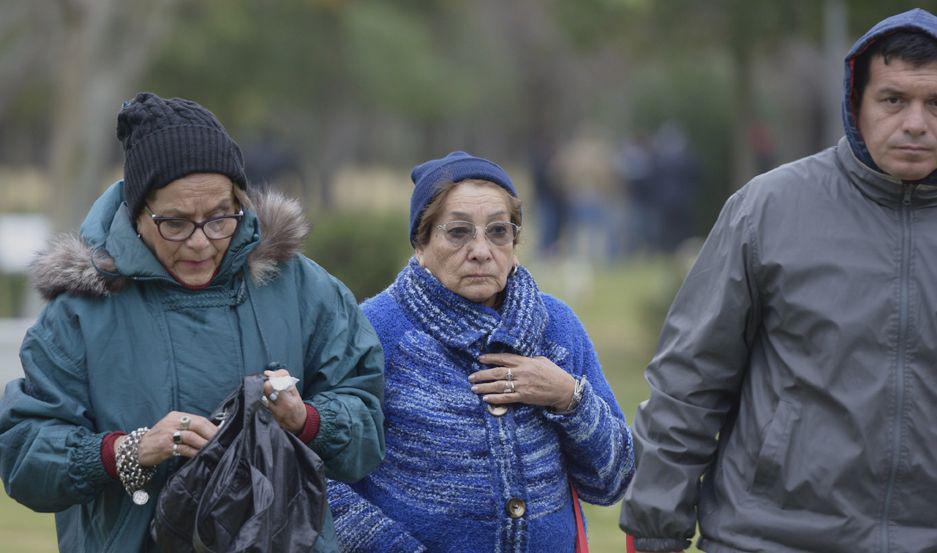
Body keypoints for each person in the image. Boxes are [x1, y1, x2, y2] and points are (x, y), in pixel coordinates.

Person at [0, 92, 385, 552]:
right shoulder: (81, 313)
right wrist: (130, 451)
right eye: (176, 224)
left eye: (220, 218)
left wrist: (306, 420)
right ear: (136, 213)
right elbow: (24, 454)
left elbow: (368, 423)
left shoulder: (303, 289)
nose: (201, 243)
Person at [620, 9, 937, 553]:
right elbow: (689, 383)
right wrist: (653, 532)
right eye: (893, 100)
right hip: (770, 537)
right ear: (854, 104)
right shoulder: (767, 210)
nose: (915, 122)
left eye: (935, 104)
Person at [327, 151, 635, 552]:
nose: (481, 250)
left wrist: (569, 398)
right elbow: (321, 481)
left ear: (515, 242)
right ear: (421, 242)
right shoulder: (374, 331)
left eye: (498, 232)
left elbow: (613, 481)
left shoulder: (556, 328)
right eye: (458, 232)